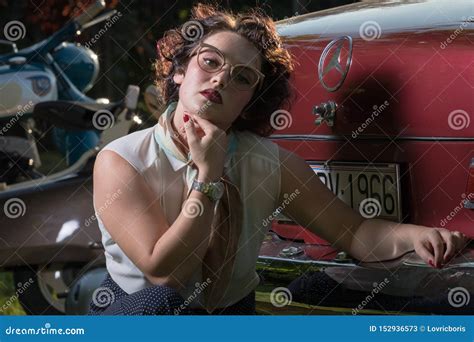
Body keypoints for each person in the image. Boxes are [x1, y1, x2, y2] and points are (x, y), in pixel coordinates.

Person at [89, 3, 468, 315]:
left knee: (317, 291)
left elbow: (355, 233)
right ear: (180, 70)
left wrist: (419, 235)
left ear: (251, 99)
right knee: (164, 303)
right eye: (210, 62)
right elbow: (165, 274)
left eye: (242, 78)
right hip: (140, 313)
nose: (221, 80)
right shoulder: (122, 160)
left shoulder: (269, 163)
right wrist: (208, 175)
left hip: (229, 313)